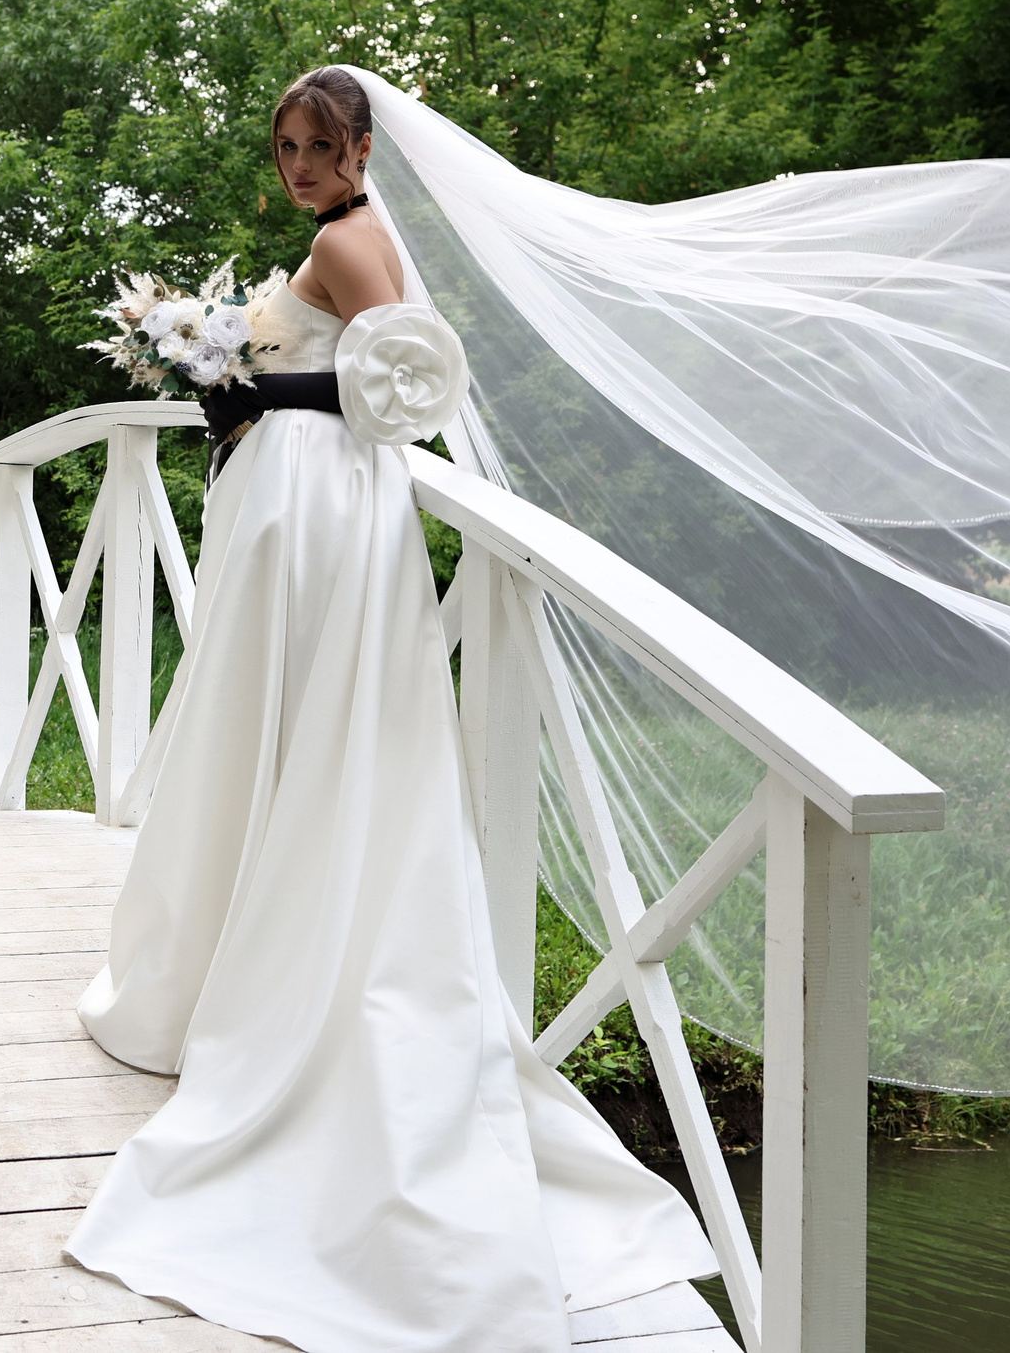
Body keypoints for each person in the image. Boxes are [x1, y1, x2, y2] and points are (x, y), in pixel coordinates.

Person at [64, 68, 719, 1349]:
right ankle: (233, 948)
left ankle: (257, 977)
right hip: (308, 504)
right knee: (281, 728)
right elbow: (368, 370)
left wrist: (257, 387)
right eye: (287, 148)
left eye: (320, 145)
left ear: (364, 147)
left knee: (287, 726)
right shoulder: (348, 235)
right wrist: (225, 372)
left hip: (320, 503)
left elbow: (407, 390)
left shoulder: (350, 239)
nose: (300, 165)